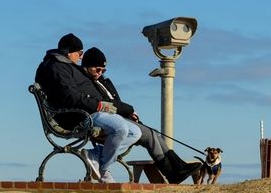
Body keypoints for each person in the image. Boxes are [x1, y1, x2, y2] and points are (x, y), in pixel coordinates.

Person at [80, 47, 202, 184]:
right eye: (97, 69)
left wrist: (129, 113)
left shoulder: (103, 81)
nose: (100, 72)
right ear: (86, 66)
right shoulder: (87, 83)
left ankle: (177, 166)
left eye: (103, 70)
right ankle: (171, 171)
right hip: (111, 121)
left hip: (120, 118)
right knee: (149, 136)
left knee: (153, 133)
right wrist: (128, 110)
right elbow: (108, 104)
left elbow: (116, 102)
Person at [35, 33, 141, 183]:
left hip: (88, 113)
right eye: (79, 53)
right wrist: (99, 105)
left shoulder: (65, 66)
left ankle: (96, 155)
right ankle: (104, 170)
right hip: (75, 117)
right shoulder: (56, 68)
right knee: (121, 129)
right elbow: (70, 97)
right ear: (69, 52)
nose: (80, 57)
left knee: (135, 132)